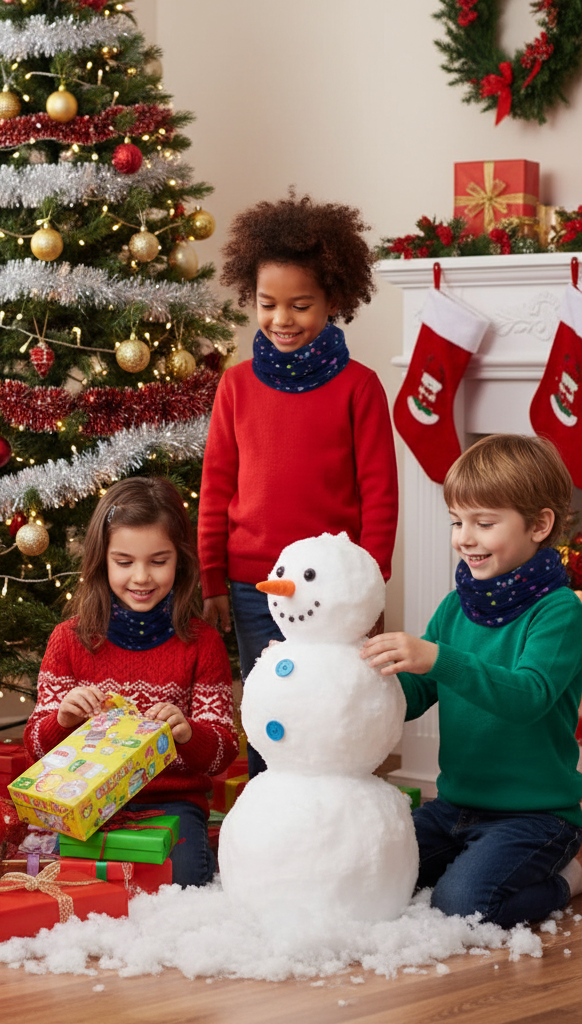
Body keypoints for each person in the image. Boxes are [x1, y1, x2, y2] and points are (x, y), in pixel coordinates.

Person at [199, 193, 398, 780]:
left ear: (333, 301)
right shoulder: (234, 387)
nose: (282, 319)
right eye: (268, 304)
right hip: (252, 582)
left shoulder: (360, 388)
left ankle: (343, 821)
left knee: (340, 708)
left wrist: (372, 583)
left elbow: (380, 498)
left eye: (301, 305)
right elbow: (215, 489)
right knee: (270, 713)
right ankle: (272, 815)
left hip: (338, 590)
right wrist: (213, 578)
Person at [362, 434, 582, 927]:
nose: (464, 537)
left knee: (460, 906)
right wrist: (353, 675)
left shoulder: (559, 611)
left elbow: (528, 696)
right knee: (373, 874)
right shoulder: (457, 604)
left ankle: (570, 875)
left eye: (484, 523)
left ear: (540, 525)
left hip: (536, 815)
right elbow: (416, 694)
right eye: (457, 522)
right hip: (454, 806)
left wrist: (438, 658)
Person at [25, 476, 239, 887]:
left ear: (181, 560)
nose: (141, 577)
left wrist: (186, 733)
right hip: (84, 802)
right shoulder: (69, 640)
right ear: (102, 560)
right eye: (124, 562)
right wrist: (63, 720)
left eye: (159, 561)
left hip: (171, 803)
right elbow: (35, 745)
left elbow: (222, 754)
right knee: (72, 882)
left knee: (187, 878)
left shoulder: (201, 642)